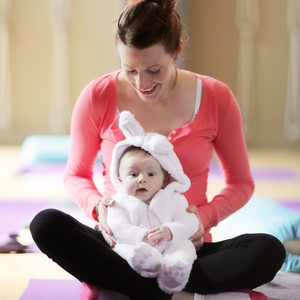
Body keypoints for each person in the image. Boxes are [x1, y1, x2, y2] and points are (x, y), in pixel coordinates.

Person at [29, 0, 286, 299]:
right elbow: (75, 175)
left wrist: (201, 219)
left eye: (153, 70)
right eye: (130, 70)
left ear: (177, 49)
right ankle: (166, 287)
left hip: (185, 247)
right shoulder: (96, 95)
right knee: (46, 224)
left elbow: (242, 183)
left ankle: (144, 286)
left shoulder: (217, 97)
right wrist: (97, 207)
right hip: (122, 247)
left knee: (268, 250)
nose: (142, 83)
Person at [107, 110, 199, 294]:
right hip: (137, 246)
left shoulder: (173, 199)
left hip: (170, 245)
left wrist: (170, 231)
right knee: (120, 249)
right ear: (120, 178)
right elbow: (117, 226)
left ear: (165, 179)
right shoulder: (118, 202)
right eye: (133, 174)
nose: (142, 179)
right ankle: (146, 263)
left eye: (151, 174)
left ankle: (175, 272)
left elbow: (190, 221)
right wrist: (142, 236)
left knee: (185, 248)